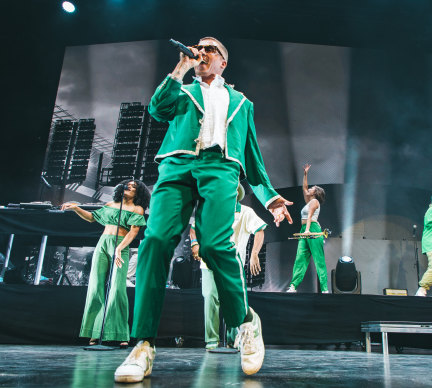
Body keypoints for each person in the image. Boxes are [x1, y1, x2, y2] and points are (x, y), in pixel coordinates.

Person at [114, 37, 292, 383]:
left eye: (211, 49)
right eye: (199, 47)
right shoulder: (182, 90)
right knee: (156, 241)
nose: (203, 51)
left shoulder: (242, 102)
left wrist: (270, 198)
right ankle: (143, 344)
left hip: (220, 168)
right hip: (177, 165)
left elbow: (252, 157)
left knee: (213, 245)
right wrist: (181, 68)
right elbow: (156, 109)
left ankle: (245, 323)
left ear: (223, 62)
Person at [61, 179, 150, 347]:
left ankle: (119, 333)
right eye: (128, 185)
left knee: (117, 289)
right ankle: (94, 333)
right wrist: (76, 208)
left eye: (134, 187)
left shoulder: (137, 209)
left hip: (121, 245)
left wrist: (119, 248)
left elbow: (134, 232)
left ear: (138, 193)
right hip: (103, 243)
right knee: (95, 287)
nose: (129, 187)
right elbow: (91, 218)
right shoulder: (111, 204)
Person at [191, 183, 267, 350]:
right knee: (210, 296)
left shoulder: (246, 212)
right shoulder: (211, 209)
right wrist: (195, 244)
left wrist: (254, 253)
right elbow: (194, 228)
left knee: (233, 299)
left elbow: (260, 230)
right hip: (210, 261)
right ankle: (211, 340)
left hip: (233, 264)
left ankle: (235, 339)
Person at [286, 164, 328, 293]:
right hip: (305, 229)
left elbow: (309, 216)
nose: (309, 189)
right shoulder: (309, 201)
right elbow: (304, 188)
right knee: (300, 258)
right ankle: (293, 286)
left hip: (312, 229)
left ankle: (325, 289)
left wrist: (307, 230)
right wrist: (305, 174)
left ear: (316, 192)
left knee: (318, 259)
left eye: (312, 188)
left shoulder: (315, 202)